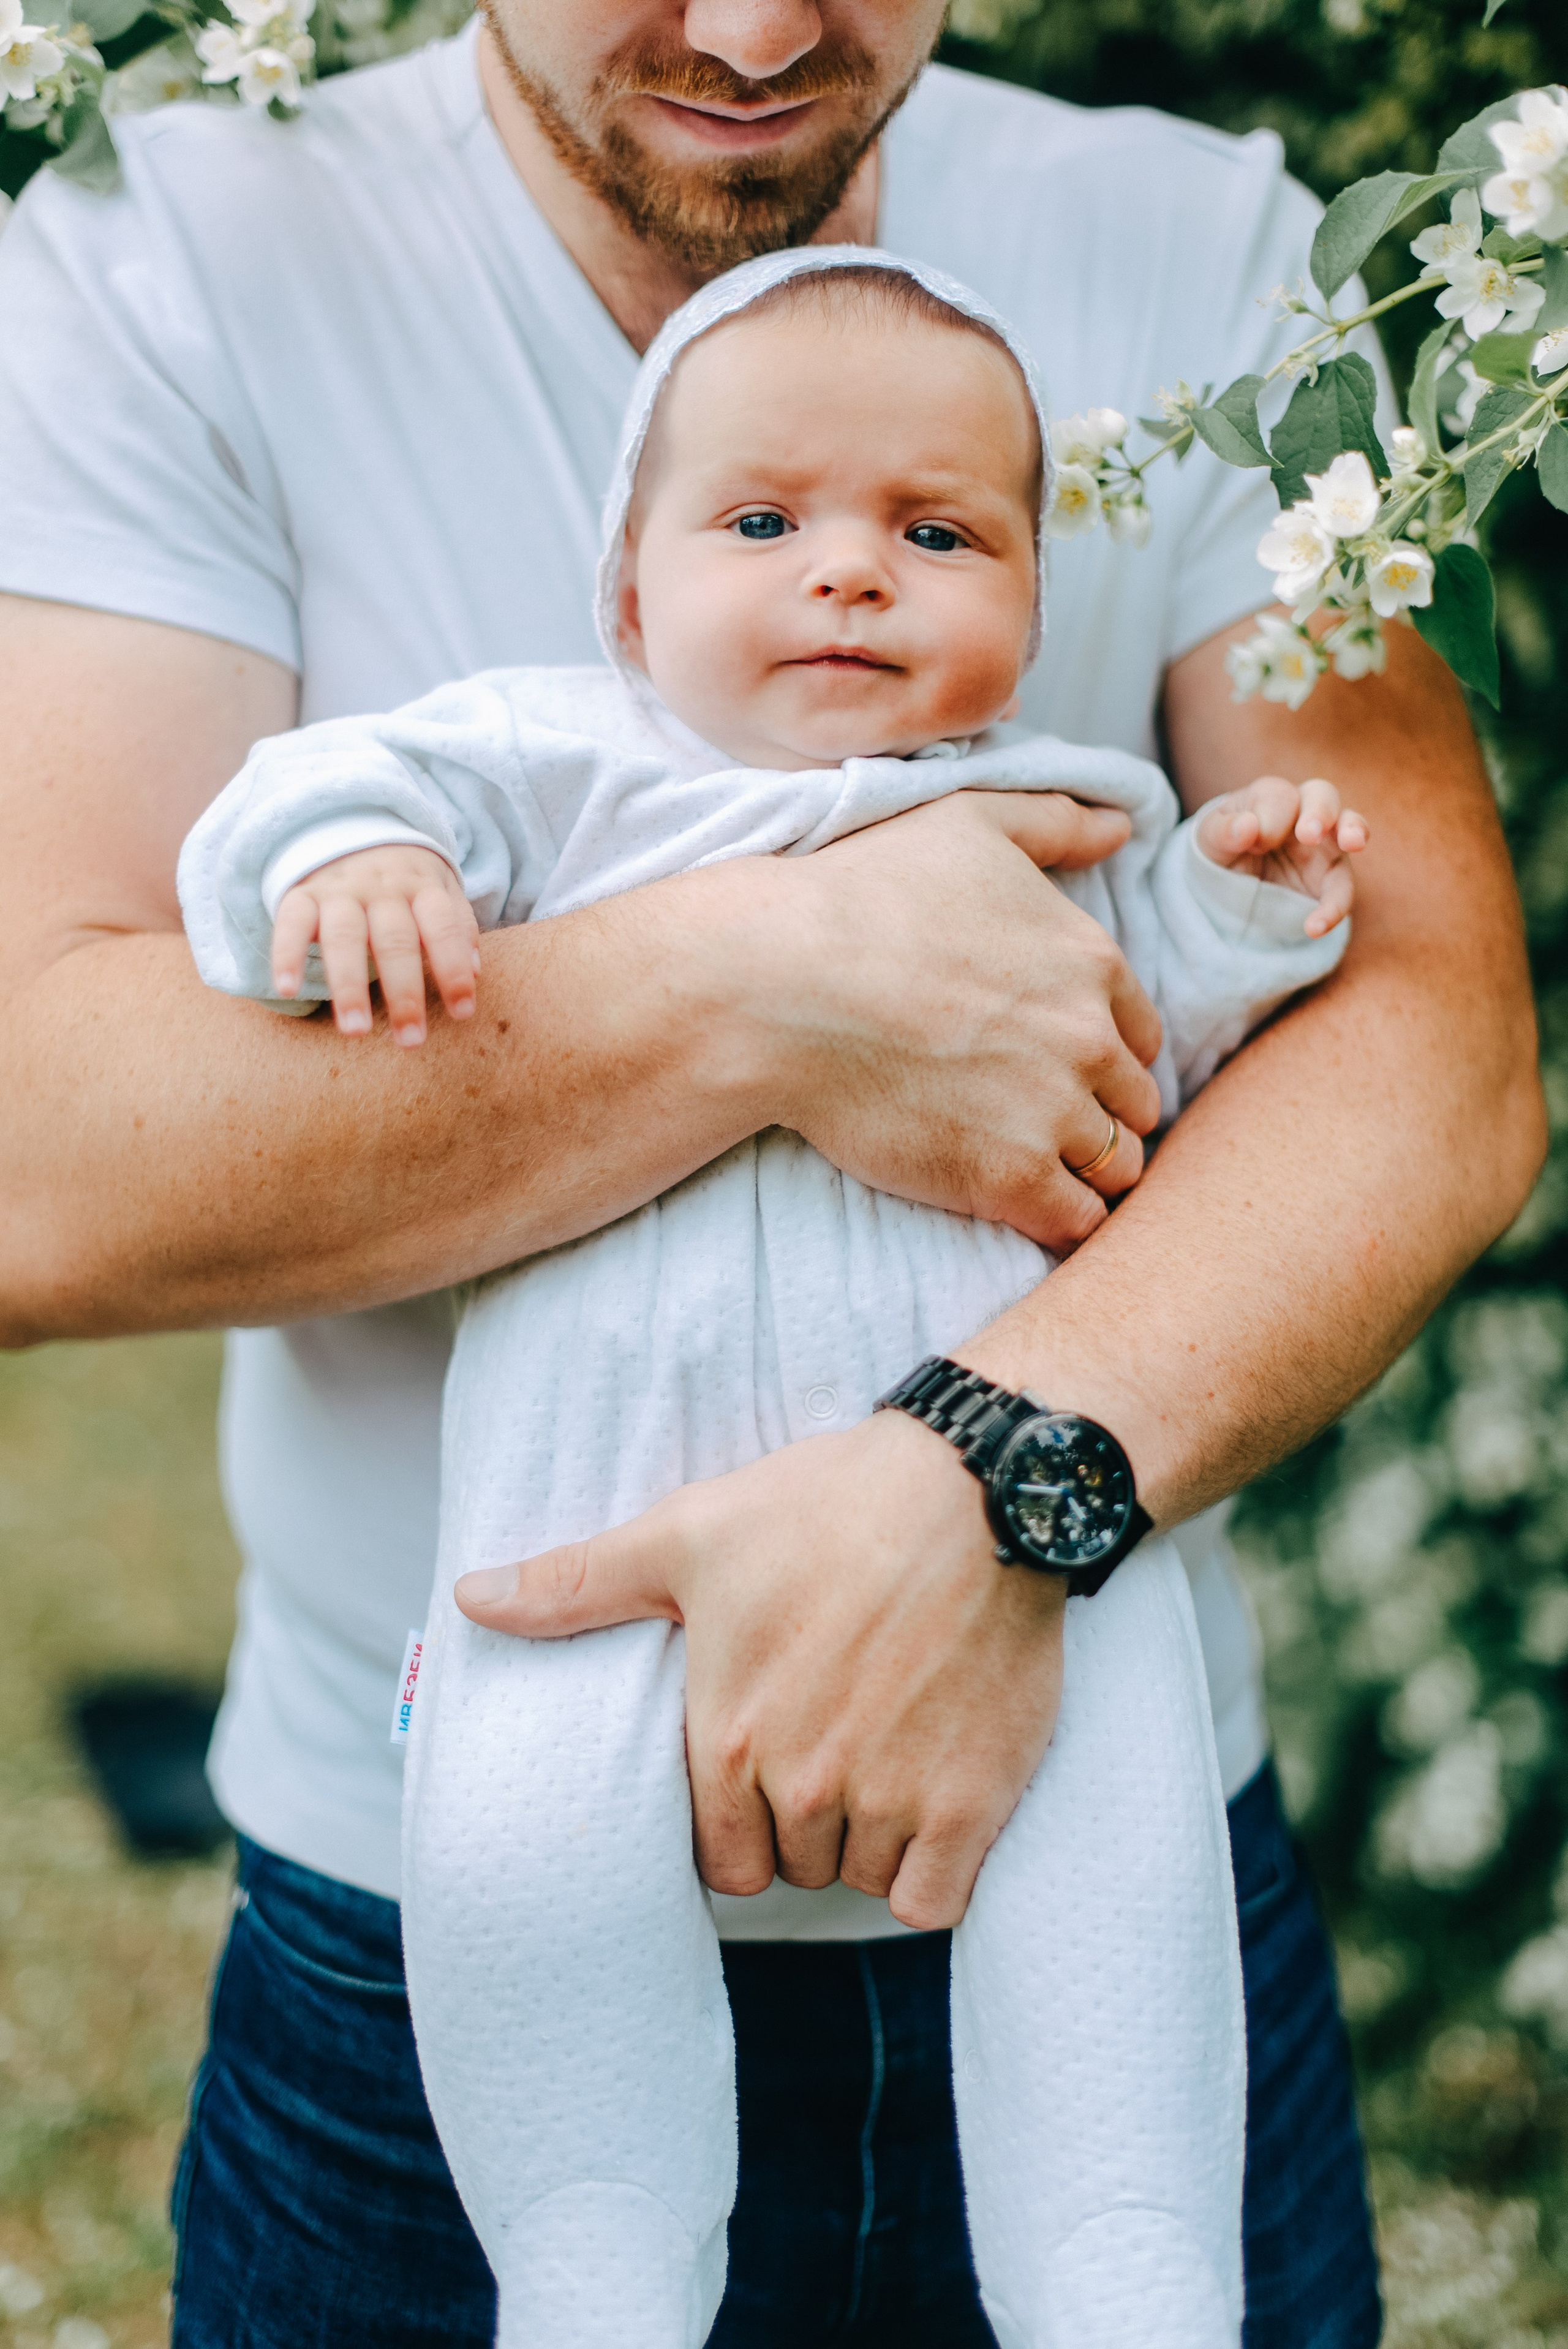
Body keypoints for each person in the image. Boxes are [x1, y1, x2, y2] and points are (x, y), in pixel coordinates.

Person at [0, 4, 1542, 2343]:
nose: (749, 29)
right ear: (626, 587)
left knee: (1140, 2223)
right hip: (423, 1850)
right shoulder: (172, 260)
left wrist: (986, 1489)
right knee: (564, 2098)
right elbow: (37, 1146)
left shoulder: (1214, 267)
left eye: (938, 536)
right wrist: (786, 983)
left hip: (1099, 1718)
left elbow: (1422, 1035)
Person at [179, 245, 1368, 2348]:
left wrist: (1235, 914)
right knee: (532, 1864)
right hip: (584, 1535)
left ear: (1023, 596)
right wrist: (355, 857)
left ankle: (1134, 2277)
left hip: (1028, 1567)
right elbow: (296, 801)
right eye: (763, 523)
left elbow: (1157, 1053)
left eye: (937, 532)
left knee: (1115, 1892)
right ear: (630, 594)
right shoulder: (555, 768)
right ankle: (590, 2272)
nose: (849, 574)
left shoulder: (1077, 813)